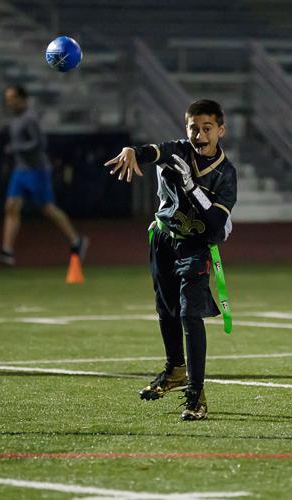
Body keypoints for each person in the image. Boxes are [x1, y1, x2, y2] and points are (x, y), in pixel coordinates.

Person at [105, 99, 237, 421]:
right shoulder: (180, 150)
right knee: (166, 309)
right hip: (164, 238)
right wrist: (134, 152)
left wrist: (191, 186)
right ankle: (175, 369)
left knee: (191, 315)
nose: (200, 135)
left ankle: (196, 393)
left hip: (195, 245)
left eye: (207, 128)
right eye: (194, 127)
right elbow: (155, 151)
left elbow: (216, 223)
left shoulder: (226, 174)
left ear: (221, 130)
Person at [0, 84, 87, 266]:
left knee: (48, 208)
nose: (9, 103)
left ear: (22, 99)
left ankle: (76, 240)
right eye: (8, 99)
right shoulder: (15, 119)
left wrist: (16, 149)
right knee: (11, 206)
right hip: (20, 170)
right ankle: (7, 250)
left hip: (37, 170)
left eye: (12, 98)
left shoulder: (30, 118)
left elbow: (39, 143)